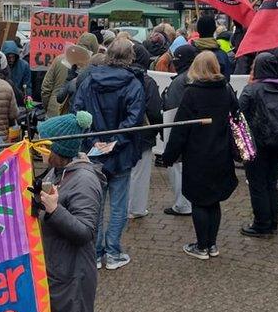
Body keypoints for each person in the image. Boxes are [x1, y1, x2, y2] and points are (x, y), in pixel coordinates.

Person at [19, 111, 102, 312]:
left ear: (61, 150)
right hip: (53, 271)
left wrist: (54, 209)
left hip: (73, 276)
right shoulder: (59, 170)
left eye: (46, 146)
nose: (41, 150)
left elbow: (85, 232)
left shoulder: (85, 181)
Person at [72, 39, 145, 270]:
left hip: (96, 152)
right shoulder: (134, 84)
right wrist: (112, 142)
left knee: (96, 203)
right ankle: (112, 252)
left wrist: (95, 141)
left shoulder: (89, 81)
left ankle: (95, 252)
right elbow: (134, 120)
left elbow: (79, 113)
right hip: (120, 153)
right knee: (118, 204)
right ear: (130, 58)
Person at [162, 52, 239, 259]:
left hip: (197, 154)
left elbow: (180, 129)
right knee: (214, 201)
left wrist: (169, 156)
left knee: (199, 201)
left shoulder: (192, 93)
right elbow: (237, 120)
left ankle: (202, 246)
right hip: (221, 153)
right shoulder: (226, 90)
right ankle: (212, 244)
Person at [239, 53, 278, 238]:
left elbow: (238, 117)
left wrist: (241, 147)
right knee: (271, 183)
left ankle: (261, 224)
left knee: (257, 184)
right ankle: (272, 222)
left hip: (255, 144)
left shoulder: (251, 90)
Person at [161, 44, 198, 216]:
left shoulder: (179, 81)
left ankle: (182, 204)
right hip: (199, 133)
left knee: (177, 168)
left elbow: (172, 109)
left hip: (181, 130)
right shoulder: (200, 76)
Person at [126, 43, 162, 220]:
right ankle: (137, 208)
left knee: (125, 172)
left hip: (123, 130)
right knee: (140, 172)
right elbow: (155, 110)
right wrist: (156, 129)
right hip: (143, 132)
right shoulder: (147, 82)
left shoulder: (121, 77)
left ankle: (123, 207)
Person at [41, 32, 99, 118]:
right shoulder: (93, 67)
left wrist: (47, 108)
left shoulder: (59, 59)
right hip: (76, 117)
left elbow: (46, 88)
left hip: (54, 112)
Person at [192, 14, 232, 79]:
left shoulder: (190, 53)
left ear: (198, 29)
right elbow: (226, 79)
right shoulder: (222, 55)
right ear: (214, 29)